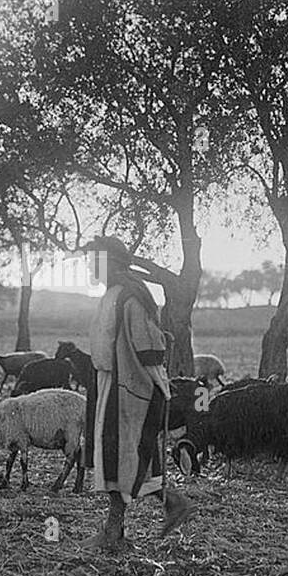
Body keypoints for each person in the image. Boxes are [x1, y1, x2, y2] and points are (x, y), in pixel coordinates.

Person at [80, 236, 194, 551]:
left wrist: (159, 383)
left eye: (95, 259)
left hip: (131, 390)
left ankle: (115, 531)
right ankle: (164, 507)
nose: (91, 265)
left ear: (112, 262)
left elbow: (150, 346)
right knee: (121, 457)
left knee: (122, 457)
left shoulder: (130, 298)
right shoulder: (115, 295)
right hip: (111, 385)